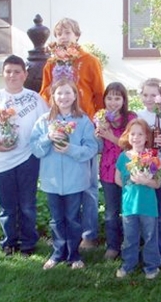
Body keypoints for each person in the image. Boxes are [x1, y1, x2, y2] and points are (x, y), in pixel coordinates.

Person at [40, 17, 105, 249]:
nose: (64, 37)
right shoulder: (50, 64)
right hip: (58, 126)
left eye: (68, 32)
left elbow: (99, 95)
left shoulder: (89, 61)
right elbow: (44, 94)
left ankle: (88, 234)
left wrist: (97, 126)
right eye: (59, 33)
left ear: (77, 35)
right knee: (62, 180)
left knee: (87, 184)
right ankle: (65, 234)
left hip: (84, 126)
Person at [0, 55, 49, 256]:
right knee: (7, 206)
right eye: (8, 71)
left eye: (17, 71)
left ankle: (28, 244)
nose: (12, 75)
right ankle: (9, 242)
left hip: (28, 158)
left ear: (25, 74)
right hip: (1, 161)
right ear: (3, 73)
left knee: (27, 204)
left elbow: (46, 124)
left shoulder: (34, 99)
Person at [30, 78, 98, 270]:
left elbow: (91, 148)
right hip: (51, 179)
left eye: (68, 92)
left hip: (75, 179)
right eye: (59, 93)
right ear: (53, 96)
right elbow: (35, 148)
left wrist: (70, 149)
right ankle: (58, 252)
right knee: (56, 219)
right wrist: (47, 138)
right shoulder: (44, 121)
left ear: (75, 95)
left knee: (73, 218)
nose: (64, 97)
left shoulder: (83, 121)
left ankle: (74, 255)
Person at [115, 119, 161, 279]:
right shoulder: (123, 157)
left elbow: (157, 183)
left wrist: (145, 181)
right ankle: (128, 264)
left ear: (147, 137)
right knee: (130, 237)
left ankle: (151, 266)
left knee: (150, 237)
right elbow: (117, 179)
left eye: (140, 134)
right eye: (132, 134)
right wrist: (130, 185)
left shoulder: (151, 157)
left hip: (148, 205)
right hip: (129, 205)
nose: (136, 137)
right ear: (127, 136)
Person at [136, 78, 161, 264]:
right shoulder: (138, 116)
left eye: (153, 95)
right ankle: (146, 248)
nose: (149, 98)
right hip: (144, 170)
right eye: (145, 95)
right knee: (145, 212)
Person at [95, 82, 137, 260]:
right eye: (109, 98)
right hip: (108, 169)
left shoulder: (131, 117)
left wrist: (110, 136)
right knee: (111, 211)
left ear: (124, 100)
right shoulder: (100, 116)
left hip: (128, 168)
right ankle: (112, 246)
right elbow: (97, 146)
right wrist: (96, 135)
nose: (113, 102)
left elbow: (131, 144)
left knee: (129, 209)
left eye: (117, 98)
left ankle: (130, 244)